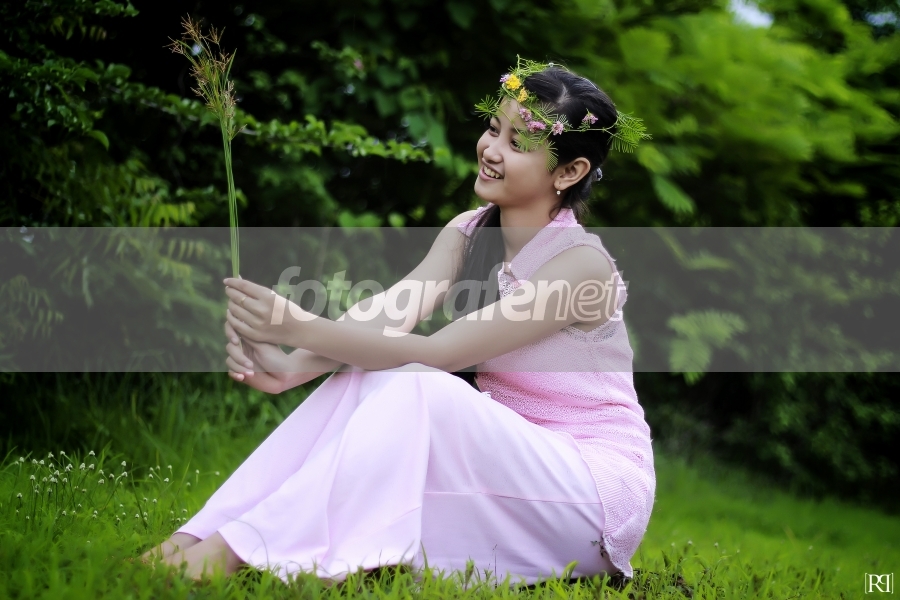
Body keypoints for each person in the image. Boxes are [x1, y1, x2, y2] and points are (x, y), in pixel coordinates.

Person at [141, 58, 656, 586]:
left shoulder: (580, 265)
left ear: (569, 172)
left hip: (590, 493)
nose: (491, 149)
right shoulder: (470, 231)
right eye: (492, 128)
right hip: (508, 467)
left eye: (518, 143)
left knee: (417, 381)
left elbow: (439, 355)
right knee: (370, 370)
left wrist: (298, 326)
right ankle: (196, 537)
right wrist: (292, 367)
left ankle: (233, 553)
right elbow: (387, 313)